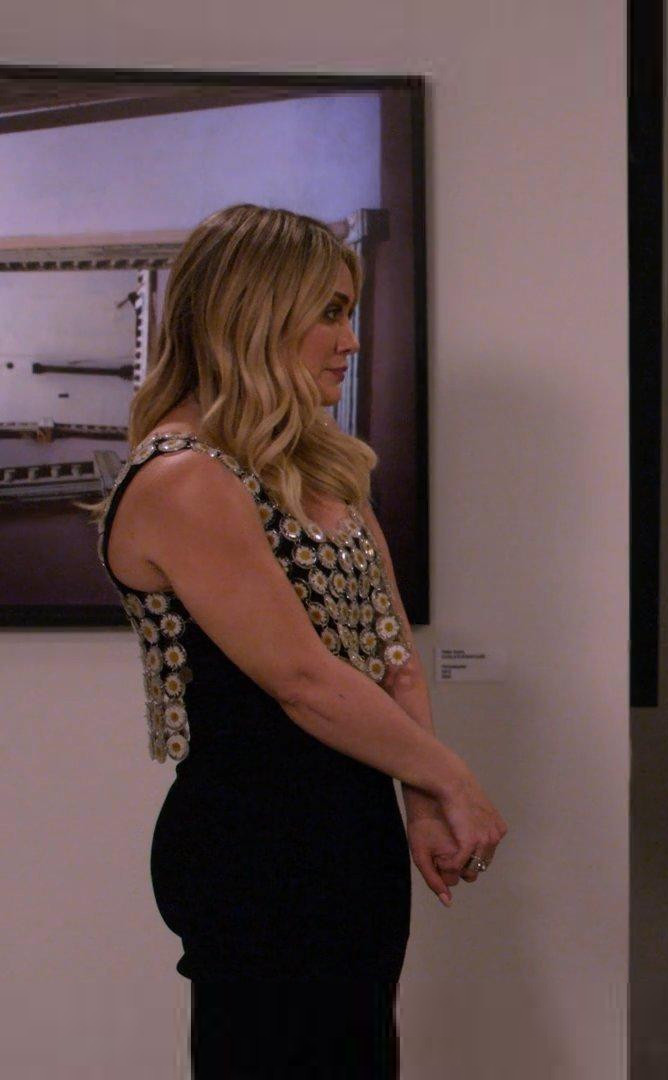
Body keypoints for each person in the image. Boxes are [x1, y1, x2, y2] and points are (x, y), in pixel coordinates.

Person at [94, 204, 507, 1077]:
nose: (349, 340)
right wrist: (453, 779)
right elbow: (304, 680)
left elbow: (391, 654)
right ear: (254, 314)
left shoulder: (321, 468)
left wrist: (419, 799)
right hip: (255, 847)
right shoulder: (183, 477)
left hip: (349, 836)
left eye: (349, 311)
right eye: (329, 312)